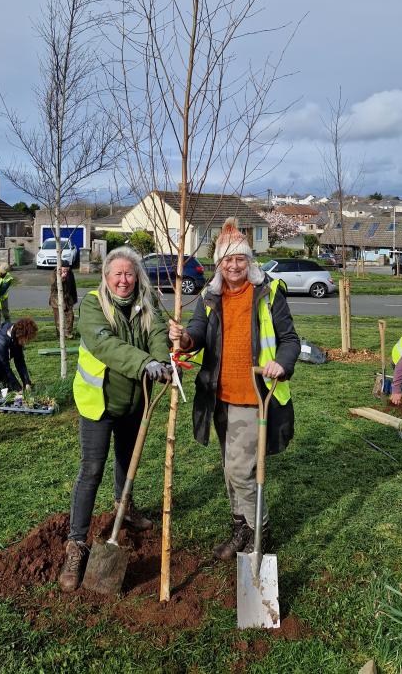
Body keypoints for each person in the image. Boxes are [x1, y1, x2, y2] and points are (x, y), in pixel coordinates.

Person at [168, 218, 300, 560]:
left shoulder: (268, 293)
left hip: (255, 396)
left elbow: (289, 339)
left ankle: (260, 534)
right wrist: (185, 339)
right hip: (219, 397)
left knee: (241, 471)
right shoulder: (210, 297)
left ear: (249, 261)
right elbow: (196, 331)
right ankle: (241, 528)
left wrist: (282, 364)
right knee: (230, 472)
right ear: (219, 263)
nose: (234, 265)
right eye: (227, 259)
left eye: (240, 258)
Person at [58, 246, 172, 593]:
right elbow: (103, 344)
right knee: (92, 469)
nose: (124, 280)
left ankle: (126, 507)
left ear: (137, 276)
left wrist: (162, 360)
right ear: (107, 277)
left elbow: (158, 336)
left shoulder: (147, 303)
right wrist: (144, 365)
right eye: (117, 274)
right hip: (99, 402)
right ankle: (76, 545)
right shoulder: (94, 304)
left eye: (129, 273)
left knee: (128, 461)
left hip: (136, 400)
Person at [49, 265, 79, 339]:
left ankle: (68, 333)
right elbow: (54, 287)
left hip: (67, 299)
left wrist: (74, 298)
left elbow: (73, 285)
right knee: (58, 319)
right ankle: (60, 334)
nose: (66, 272)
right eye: (64, 270)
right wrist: (61, 279)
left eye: (67, 270)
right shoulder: (54, 274)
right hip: (56, 299)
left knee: (70, 316)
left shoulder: (70, 273)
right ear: (60, 268)